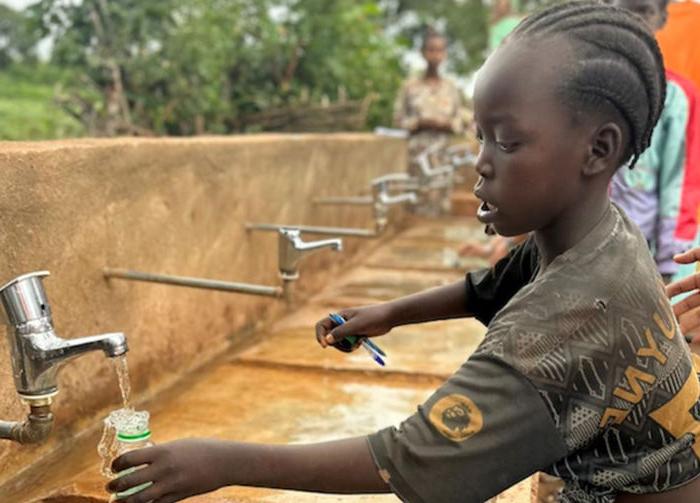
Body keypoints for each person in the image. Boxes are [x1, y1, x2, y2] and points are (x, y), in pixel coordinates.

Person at [108, 3, 700, 502]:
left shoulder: (571, 317)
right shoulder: (597, 236)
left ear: (598, 149)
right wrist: (388, 315)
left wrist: (223, 463)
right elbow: (488, 288)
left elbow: (417, 458)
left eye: (508, 140)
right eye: (479, 135)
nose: (481, 162)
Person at [608, 0, 700, 283]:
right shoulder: (587, 89)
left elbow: (681, 183)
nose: (635, 20)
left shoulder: (677, 97)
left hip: (656, 261)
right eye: (625, 9)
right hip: (596, 254)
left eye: (645, 11)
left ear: (661, 19)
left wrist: (668, 264)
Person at [394, 29, 466, 215]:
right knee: (416, 208)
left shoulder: (451, 88)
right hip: (418, 160)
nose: (436, 55)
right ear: (423, 53)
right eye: (431, 50)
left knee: (441, 209)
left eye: (440, 50)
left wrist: (447, 124)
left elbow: (460, 120)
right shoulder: (410, 86)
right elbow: (398, 120)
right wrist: (419, 123)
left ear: (445, 54)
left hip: (443, 159)